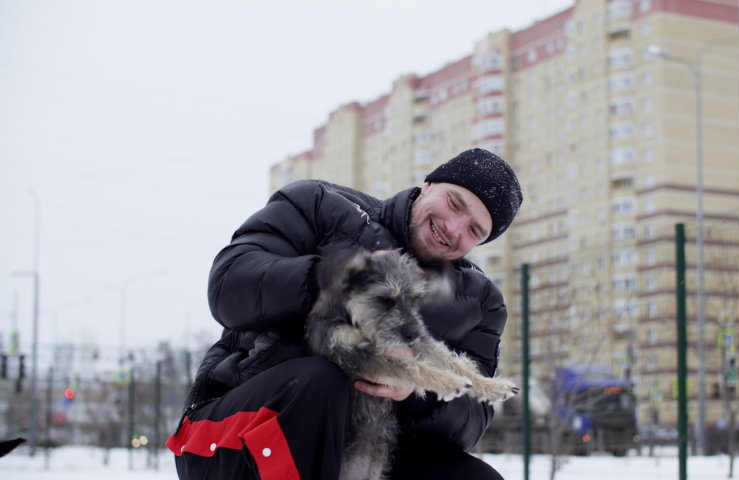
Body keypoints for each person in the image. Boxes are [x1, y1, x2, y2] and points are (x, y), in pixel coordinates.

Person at [166, 148, 523, 480]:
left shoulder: (480, 301)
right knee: (320, 381)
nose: (453, 228)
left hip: (364, 443)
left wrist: (413, 389)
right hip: (233, 429)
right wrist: (336, 278)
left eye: (475, 230)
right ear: (427, 185)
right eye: (454, 203)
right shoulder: (319, 205)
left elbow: (471, 421)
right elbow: (228, 287)